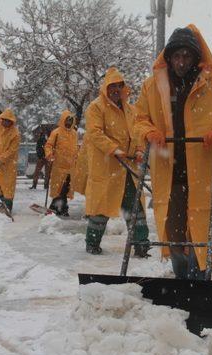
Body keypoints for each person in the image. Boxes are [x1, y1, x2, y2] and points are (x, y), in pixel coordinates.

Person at [134, 24, 212, 279]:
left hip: (201, 169)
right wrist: (149, 131)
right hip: (168, 169)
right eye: (177, 56)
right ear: (169, 58)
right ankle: (181, 275)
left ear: (196, 57)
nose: (181, 62)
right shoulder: (152, 87)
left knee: (199, 227)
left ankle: (199, 277)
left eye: (187, 56)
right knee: (173, 228)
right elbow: (139, 118)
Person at [83, 67, 150, 256]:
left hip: (128, 168)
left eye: (119, 86)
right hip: (107, 167)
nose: (115, 90)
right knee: (101, 208)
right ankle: (92, 242)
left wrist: (138, 150)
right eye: (112, 86)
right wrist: (114, 150)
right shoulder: (96, 107)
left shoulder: (131, 110)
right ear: (106, 88)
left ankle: (141, 244)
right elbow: (95, 133)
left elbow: (137, 133)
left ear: (123, 88)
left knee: (135, 207)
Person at [44, 110, 77, 216]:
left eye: (70, 121)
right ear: (63, 120)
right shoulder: (56, 132)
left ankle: (61, 207)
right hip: (59, 166)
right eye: (67, 120)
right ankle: (58, 207)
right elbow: (48, 145)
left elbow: (76, 148)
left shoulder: (74, 134)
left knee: (65, 188)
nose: (68, 123)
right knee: (59, 188)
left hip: (70, 168)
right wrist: (49, 154)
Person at [30, 124, 53, 190]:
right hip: (44, 157)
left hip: (45, 157)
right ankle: (43, 185)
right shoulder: (45, 137)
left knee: (43, 172)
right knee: (44, 172)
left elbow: (39, 147)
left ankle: (39, 185)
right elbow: (39, 147)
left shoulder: (47, 137)